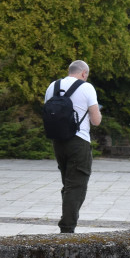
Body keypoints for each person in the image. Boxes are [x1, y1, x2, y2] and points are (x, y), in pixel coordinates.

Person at [44, 60, 101, 233]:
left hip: (58, 141)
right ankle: (67, 228)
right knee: (76, 185)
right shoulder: (87, 88)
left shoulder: (52, 86)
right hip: (78, 141)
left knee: (68, 183)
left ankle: (67, 220)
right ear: (84, 73)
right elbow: (96, 121)